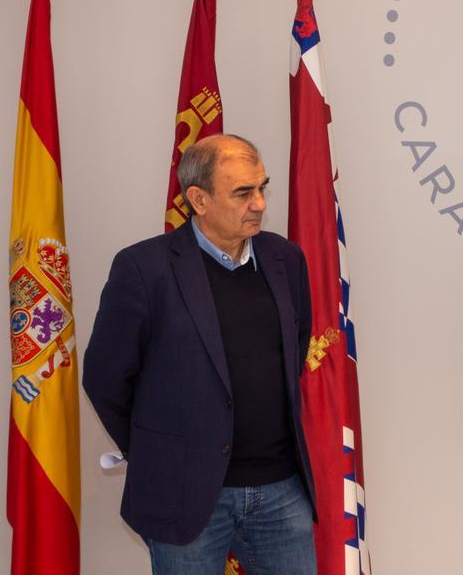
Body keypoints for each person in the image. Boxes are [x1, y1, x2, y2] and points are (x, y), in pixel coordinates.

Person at [83, 134, 317, 574]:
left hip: (282, 491)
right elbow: (105, 379)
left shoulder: (286, 259)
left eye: (262, 187)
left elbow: (295, 349)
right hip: (182, 492)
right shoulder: (143, 269)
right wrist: (160, 449)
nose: (261, 204)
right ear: (199, 199)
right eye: (243, 193)